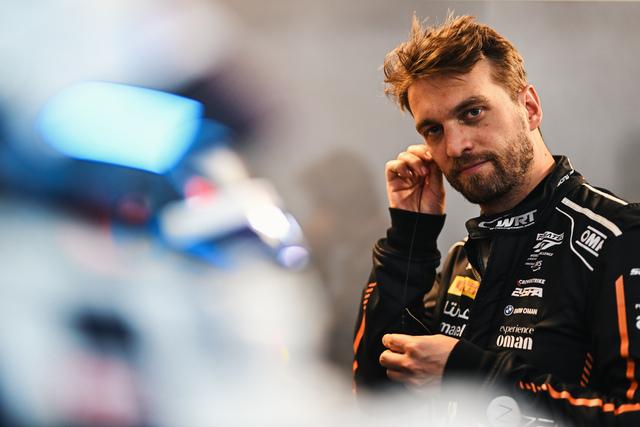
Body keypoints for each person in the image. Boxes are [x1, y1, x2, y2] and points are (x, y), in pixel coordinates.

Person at [353, 14, 640, 425]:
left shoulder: (621, 239)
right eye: (433, 130)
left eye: (472, 113)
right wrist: (408, 242)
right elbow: (377, 403)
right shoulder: (462, 261)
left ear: (529, 108)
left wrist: (477, 377)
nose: (455, 146)